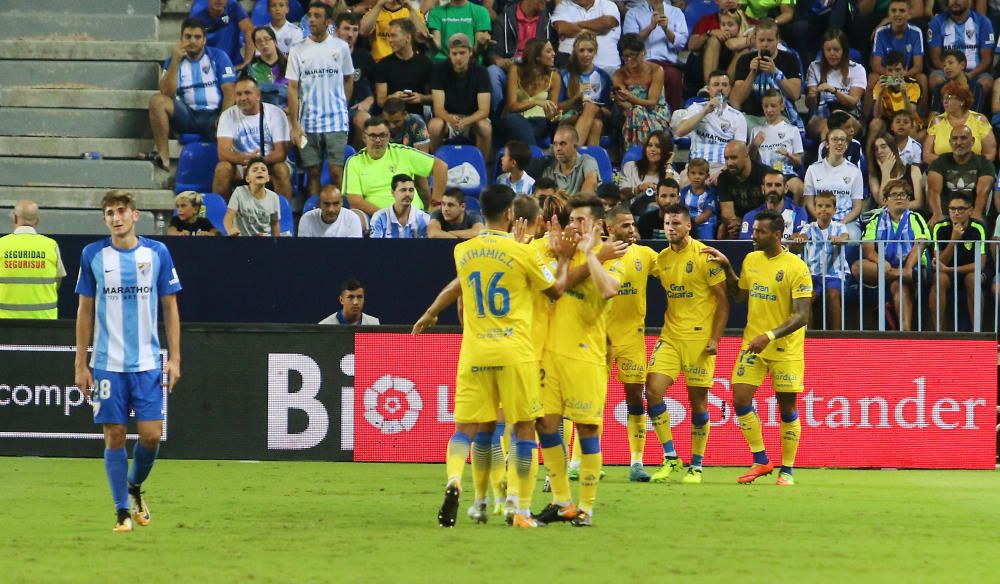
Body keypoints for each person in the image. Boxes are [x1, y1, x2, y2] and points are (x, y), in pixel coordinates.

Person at [412, 184, 574, 529]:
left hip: (474, 349)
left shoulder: (464, 251)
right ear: (511, 214)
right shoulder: (523, 252)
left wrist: (430, 311)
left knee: (465, 430)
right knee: (524, 429)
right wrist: (561, 258)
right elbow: (556, 290)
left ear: (479, 211)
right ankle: (519, 509)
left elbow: (458, 285)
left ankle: (456, 480)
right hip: (515, 350)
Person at [74, 189, 182, 532]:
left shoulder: (157, 253)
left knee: (151, 435)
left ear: (135, 215)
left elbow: (170, 306)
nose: (116, 218)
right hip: (108, 362)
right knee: (115, 434)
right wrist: (81, 363)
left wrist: (175, 358)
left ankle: (133, 486)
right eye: (110, 213)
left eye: (122, 211)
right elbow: (85, 310)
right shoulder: (93, 255)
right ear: (105, 219)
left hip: (148, 362)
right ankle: (121, 510)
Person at [702, 209, 812, 486]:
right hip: (753, 343)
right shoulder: (751, 260)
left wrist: (770, 336)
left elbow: (801, 316)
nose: (754, 236)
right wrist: (727, 268)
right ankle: (761, 460)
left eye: (760, 232)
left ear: (777, 234)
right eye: (753, 231)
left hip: (784, 347)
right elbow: (739, 295)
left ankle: (787, 470)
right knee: (740, 399)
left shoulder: (796, 267)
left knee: (786, 407)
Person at [533, 193, 624, 527]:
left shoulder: (614, 256)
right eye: (571, 219)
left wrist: (591, 255)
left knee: (586, 428)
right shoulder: (561, 253)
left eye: (580, 220)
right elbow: (551, 287)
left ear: (598, 224)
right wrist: (566, 256)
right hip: (551, 352)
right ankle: (561, 502)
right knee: (546, 425)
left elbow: (607, 290)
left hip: (586, 356)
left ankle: (586, 506)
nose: (574, 225)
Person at [643, 203, 728, 484]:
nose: (671, 228)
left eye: (677, 223)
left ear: (689, 226)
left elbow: (723, 301)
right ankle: (670, 456)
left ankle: (697, 465)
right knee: (653, 390)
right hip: (670, 336)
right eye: (667, 223)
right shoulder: (661, 259)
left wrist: (715, 338)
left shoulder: (705, 256)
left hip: (700, 339)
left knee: (698, 404)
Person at [602, 206, 659, 481]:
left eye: (633, 224)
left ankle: (637, 462)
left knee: (636, 397)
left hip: (632, 338)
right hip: (599, 339)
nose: (632, 230)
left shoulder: (645, 255)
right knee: (590, 401)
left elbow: (673, 272)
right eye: (625, 225)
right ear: (609, 228)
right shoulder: (598, 256)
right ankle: (579, 462)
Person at [148, 18, 236, 172]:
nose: (192, 41)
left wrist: (224, 118)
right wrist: (175, 62)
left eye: (197, 37)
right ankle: (163, 157)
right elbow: (166, 92)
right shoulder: (172, 61)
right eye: (188, 37)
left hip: (213, 116)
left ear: (204, 40)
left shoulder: (218, 57)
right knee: (157, 101)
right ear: (181, 39)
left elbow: (230, 91)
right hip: (187, 115)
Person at [287, 2, 355, 197]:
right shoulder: (297, 50)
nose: (311, 20)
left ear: (328, 21)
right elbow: (292, 88)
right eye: (310, 15)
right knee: (313, 172)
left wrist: (343, 104)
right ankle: (313, 216)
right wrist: (294, 124)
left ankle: (343, 215)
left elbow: (349, 78)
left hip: (336, 121)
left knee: (336, 172)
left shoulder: (340, 47)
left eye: (317, 16)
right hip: (307, 123)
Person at [852, 179, 929, 332]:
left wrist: (907, 267)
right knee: (857, 267)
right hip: (884, 268)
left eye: (903, 194)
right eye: (894, 195)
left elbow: (921, 244)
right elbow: (868, 249)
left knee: (897, 285)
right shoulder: (875, 220)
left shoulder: (915, 218)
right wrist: (881, 262)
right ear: (885, 201)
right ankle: (899, 275)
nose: (899, 198)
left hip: (913, 267)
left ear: (908, 200)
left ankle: (905, 333)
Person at [343, 117, 447, 214]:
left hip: (412, 214)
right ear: (364, 137)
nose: (378, 140)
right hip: (375, 217)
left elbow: (440, 166)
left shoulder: (403, 153)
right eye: (373, 136)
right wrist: (386, 217)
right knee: (356, 217)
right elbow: (355, 200)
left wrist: (436, 203)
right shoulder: (354, 161)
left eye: (382, 135)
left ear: (389, 136)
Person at [213, 77, 292, 199]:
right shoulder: (227, 115)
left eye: (247, 93)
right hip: (241, 164)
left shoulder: (276, 113)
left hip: (269, 162)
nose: (243, 98)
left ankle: (283, 215)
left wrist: (259, 162)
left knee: (281, 169)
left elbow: (280, 153)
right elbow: (223, 153)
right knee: (222, 169)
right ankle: (223, 214)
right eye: (238, 94)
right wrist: (246, 160)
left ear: (258, 95)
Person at [730, 18, 803, 131]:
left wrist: (775, 72)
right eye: (761, 40)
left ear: (777, 40)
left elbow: (795, 94)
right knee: (740, 127)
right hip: (751, 118)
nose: (765, 44)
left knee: (777, 131)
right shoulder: (744, 60)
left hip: (780, 117)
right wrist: (752, 73)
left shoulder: (790, 59)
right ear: (755, 39)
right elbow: (736, 98)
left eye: (769, 40)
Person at [928, 194, 987, 331]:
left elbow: (980, 265)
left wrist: (949, 270)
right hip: (946, 274)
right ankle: (938, 333)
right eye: (952, 209)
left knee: (973, 279)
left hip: (969, 272)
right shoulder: (940, 227)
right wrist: (953, 241)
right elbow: (939, 263)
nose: (956, 213)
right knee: (939, 279)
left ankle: (977, 333)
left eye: (961, 209)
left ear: (970, 211)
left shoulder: (978, 228)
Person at [428, 33, 493, 158]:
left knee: (485, 127)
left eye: (462, 53)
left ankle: (481, 167)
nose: (458, 58)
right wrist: (450, 119)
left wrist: (466, 121)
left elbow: (484, 110)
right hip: (448, 117)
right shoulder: (439, 70)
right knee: (434, 126)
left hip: (472, 118)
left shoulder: (481, 72)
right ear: (449, 54)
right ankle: (435, 164)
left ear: (470, 52)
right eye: (454, 53)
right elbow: (438, 109)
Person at [675, 71, 748, 179]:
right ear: (708, 89)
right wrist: (705, 111)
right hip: (696, 168)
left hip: (723, 168)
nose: (720, 88)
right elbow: (680, 131)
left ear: (729, 89)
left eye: (724, 85)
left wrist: (721, 170)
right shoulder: (696, 108)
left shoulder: (738, 117)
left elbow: (739, 151)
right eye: (716, 84)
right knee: (683, 181)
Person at [0, 199, 65, 319]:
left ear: (14, 218)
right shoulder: (51, 245)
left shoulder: (1, 245)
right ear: (37, 221)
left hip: (5, 324)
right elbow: (57, 282)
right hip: (45, 321)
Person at [793, 191, 849, 330]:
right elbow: (803, 236)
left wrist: (839, 239)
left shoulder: (839, 226)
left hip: (834, 275)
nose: (824, 209)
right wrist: (800, 239)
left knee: (833, 295)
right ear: (815, 208)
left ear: (834, 210)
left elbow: (845, 236)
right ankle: (809, 335)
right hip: (812, 275)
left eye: (828, 206)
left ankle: (837, 335)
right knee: (807, 298)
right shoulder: (809, 227)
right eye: (820, 206)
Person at [622, 0, 689, 111]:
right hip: (642, 63)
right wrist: (650, 27)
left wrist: (666, 29)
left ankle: (673, 121)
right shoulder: (633, 13)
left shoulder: (676, 12)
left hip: (668, 64)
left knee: (674, 77)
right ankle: (644, 119)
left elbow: (681, 43)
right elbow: (629, 44)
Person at [487, 0, 551, 114]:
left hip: (537, 68)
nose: (547, 1)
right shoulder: (504, 19)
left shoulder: (547, 19)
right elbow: (492, 52)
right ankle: (498, 117)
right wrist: (499, 61)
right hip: (510, 67)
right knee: (492, 72)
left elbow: (551, 50)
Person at [611, 33, 672, 148]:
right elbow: (626, 104)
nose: (629, 60)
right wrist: (618, 100)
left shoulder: (656, 70)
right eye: (625, 56)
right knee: (635, 112)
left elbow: (652, 103)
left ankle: (637, 152)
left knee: (636, 112)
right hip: (630, 112)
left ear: (642, 52)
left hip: (656, 112)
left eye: (633, 55)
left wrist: (631, 98)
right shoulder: (619, 75)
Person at [926, 124, 995, 226]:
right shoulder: (938, 163)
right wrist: (937, 214)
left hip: (970, 214)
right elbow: (934, 192)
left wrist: (976, 214)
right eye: (954, 138)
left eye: (963, 138)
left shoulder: (984, 164)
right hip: (945, 215)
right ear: (950, 142)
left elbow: (982, 193)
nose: (958, 142)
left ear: (972, 141)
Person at [867, 0, 927, 117]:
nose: (897, 14)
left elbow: (918, 66)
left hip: (907, 74)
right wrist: (892, 76)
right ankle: (866, 120)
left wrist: (901, 76)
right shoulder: (881, 32)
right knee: (872, 78)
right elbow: (876, 65)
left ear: (909, 14)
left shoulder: (916, 32)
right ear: (888, 15)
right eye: (893, 11)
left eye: (902, 11)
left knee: (922, 78)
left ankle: (920, 119)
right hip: (887, 74)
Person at [803, 128, 864, 241]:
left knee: (853, 237)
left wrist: (840, 224)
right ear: (826, 144)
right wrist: (822, 221)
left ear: (846, 145)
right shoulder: (813, 169)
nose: (839, 143)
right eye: (835, 139)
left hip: (846, 221)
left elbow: (857, 206)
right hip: (820, 219)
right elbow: (809, 203)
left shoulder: (854, 171)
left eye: (842, 140)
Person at [927, 0, 995, 101]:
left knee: (986, 82)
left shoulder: (983, 22)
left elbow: (986, 60)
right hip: (947, 71)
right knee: (936, 79)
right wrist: (951, 71)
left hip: (974, 72)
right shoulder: (937, 22)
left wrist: (969, 75)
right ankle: (944, 113)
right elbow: (935, 58)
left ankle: (972, 114)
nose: (955, 1)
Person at [804, 30, 865, 140]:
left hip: (851, 117)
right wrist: (812, 97)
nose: (832, 53)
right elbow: (810, 105)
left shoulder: (857, 69)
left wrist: (834, 91)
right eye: (828, 50)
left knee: (837, 117)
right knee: (829, 125)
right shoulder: (814, 67)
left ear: (844, 51)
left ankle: (828, 155)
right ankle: (827, 156)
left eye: (836, 50)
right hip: (821, 117)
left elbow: (852, 102)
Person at [557, 32, 614, 146]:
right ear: (575, 52)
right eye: (581, 50)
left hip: (597, 118)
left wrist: (596, 108)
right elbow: (558, 108)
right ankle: (574, 153)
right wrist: (576, 98)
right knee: (592, 114)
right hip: (568, 118)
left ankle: (574, 154)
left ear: (595, 52)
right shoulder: (564, 74)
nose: (586, 55)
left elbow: (610, 113)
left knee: (596, 122)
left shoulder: (603, 77)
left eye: (590, 50)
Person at [502, 39, 561, 147]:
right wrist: (536, 102)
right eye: (548, 51)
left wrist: (554, 115)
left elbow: (552, 111)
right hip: (516, 119)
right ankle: (534, 157)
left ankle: (531, 157)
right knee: (515, 121)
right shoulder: (515, 70)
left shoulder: (555, 77)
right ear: (537, 57)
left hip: (540, 122)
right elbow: (511, 106)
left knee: (524, 130)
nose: (554, 54)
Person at [750, 89, 804, 202]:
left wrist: (788, 154)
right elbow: (750, 161)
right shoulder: (756, 131)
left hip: (785, 173)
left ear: (782, 107)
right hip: (763, 174)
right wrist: (754, 146)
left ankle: (795, 218)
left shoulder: (792, 130)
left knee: (799, 188)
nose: (769, 110)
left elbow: (799, 162)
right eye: (766, 106)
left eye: (773, 106)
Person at [372, 19, 434, 117]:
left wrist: (422, 98)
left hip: (416, 116)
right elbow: (380, 102)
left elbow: (435, 97)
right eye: (388, 36)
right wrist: (393, 98)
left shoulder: (425, 63)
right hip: (390, 116)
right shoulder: (383, 64)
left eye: (393, 36)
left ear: (408, 38)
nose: (389, 40)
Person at [924, 81, 996, 165]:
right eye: (944, 98)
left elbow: (990, 154)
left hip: (974, 171)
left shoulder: (979, 120)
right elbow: (927, 155)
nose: (945, 101)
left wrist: (969, 166)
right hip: (942, 171)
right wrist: (949, 165)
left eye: (949, 98)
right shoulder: (936, 121)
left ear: (962, 101)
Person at [336, 12, 377, 148]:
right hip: (329, 109)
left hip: (354, 109)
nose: (350, 35)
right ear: (337, 31)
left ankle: (354, 156)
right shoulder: (325, 55)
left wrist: (370, 99)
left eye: (355, 30)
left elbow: (377, 85)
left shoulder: (364, 57)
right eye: (346, 29)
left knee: (364, 119)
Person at [717, 141, 770, 238]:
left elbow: (772, 208)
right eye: (726, 158)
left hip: (763, 220)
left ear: (746, 155)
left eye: (733, 158)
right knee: (723, 229)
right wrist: (735, 223)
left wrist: (749, 223)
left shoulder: (765, 174)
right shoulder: (724, 177)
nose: (729, 163)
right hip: (738, 222)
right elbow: (727, 213)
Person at [869, 51, 923, 146]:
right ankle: (868, 160)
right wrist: (880, 94)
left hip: (907, 119)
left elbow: (910, 114)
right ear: (885, 71)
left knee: (911, 127)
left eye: (897, 70)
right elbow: (877, 115)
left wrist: (904, 94)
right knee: (875, 123)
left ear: (905, 70)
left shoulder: (914, 85)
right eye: (890, 70)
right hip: (888, 120)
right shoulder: (879, 85)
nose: (893, 74)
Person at [551, 0, 622, 72]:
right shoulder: (563, 6)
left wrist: (574, 25)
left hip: (606, 68)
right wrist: (599, 29)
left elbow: (608, 23)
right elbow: (562, 29)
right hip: (571, 70)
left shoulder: (608, 5)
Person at [739, 170, 808, 244]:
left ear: (786, 189)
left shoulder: (798, 212)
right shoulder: (750, 216)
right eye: (769, 185)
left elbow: (800, 243)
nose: (773, 189)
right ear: (763, 189)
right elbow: (747, 246)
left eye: (777, 185)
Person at [621, 130, 679, 215]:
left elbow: (670, 200)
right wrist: (639, 188)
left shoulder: (673, 175)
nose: (653, 150)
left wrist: (669, 164)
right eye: (649, 145)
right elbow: (621, 195)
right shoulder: (630, 167)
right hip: (632, 216)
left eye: (658, 146)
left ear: (666, 150)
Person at [223, 157, 281, 237]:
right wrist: (230, 229)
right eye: (255, 170)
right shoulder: (239, 192)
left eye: (263, 170)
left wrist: (276, 245)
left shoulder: (274, 197)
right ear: (247, 178)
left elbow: (274, 224)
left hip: (264, 241)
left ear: (268, 178)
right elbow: (228, 219)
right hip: (243, 241)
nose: (259, 171)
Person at [190, 0, 254, 71]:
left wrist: (247, 61)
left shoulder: (233, 7)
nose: (219, 0)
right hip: (210, 69)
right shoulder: (198, 19)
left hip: (235, 66)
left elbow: (249, 30)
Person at [869, 131, 924, 210]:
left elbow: (918, 203)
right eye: (876, 149)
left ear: (893, 149)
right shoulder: (873, 176)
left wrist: (896, 207)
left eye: (883, 147)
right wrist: (885, 174)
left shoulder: (913, 170)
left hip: (910, 215)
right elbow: (881, 202)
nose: (879, 151)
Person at [361, 0, 430, 62]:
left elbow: (423, 37)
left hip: (406, 62)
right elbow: (363, 31)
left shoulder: (413, 12)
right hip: (379, 62)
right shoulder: (374, 12)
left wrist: (410, 9)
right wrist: (379, 4)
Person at [542, 125, 600, 194]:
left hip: (582, 203)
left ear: (575, 147)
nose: (558, 148)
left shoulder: (587, 161)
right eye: (555, 144)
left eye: (562, 144)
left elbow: (591, 184)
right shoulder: (549, 171)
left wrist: (575, 203)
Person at [427, 0, 492, 61]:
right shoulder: (435, 12)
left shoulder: (481, 12)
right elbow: (436, 47)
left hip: (470, 63)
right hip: (442, 62)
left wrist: (481, 45)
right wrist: (430, 40)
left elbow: (476, 50)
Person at [370, 173, 430, 238]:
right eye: (403, 190)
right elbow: (375, 247)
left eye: (411, 190)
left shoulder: (424, 219)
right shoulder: (379, 218)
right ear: (393, 193)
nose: (408, 194)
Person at [244, 27, 290, 109]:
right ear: (256, 46)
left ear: (275, 42)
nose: (263, 43)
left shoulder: (291, 66)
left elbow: (299, 95)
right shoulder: (249, 69)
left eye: (266, 39)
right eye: (259, 41)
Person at [298, 185, 364, 237]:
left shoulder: (352, 219)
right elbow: (304, 251)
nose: (331, 209)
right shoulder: (306, 219)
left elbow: (354, 251)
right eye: (327, 204)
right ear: (319, 204)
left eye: (336, 204)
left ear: (341, 203)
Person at [680, 157, 718, 240]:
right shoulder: (684, 192)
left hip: (705, 222)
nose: (696, 177)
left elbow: (707, 214)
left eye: (701, 174)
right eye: (693, 173)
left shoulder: (710, 192)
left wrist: (691, 224)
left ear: (707, 176)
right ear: (688, 174)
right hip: (687, 222)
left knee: (706, 229)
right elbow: (681, 210)